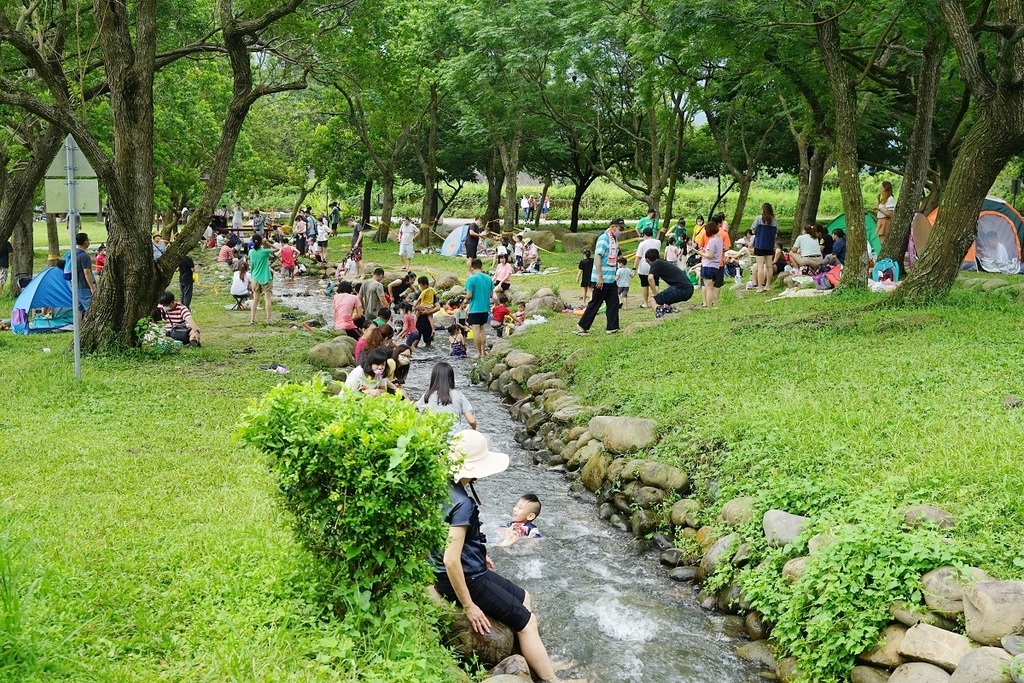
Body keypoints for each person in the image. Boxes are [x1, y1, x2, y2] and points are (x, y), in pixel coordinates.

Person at [435, 430, 580, 683]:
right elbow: (450, 559)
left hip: (468, 569)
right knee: (528, 621)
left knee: (525, 597)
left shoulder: (442, 486)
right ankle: (551, 680)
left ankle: (535, 659)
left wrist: (478, 554)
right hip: (466, 579)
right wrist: (469, 607)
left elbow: (447, 541)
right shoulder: (463, 503)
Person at [576, 219, 622, 335]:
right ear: (612, 227)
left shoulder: (614, 240)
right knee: (595, 303)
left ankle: (612, 327)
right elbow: (597, 257)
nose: (621, 231)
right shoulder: (604, 239)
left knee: (614, 303)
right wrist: (599, 277)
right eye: (619, 229)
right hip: (602, 279)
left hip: (611, 278)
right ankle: (582, 325)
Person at [417, 362, 477, 430]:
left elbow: (412, 408)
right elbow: (472, 421)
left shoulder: (427, 396)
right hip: (456, 437)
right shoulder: (459, 395)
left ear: (434, 377)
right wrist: (473, 429)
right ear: (451, 378)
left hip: (435, 436)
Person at [644, 248, 695, 318]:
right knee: (665, 299)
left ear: (648, 259)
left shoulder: (655, 263)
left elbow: (650, 278)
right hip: (689, 289)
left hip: (681, 288)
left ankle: (660, 316)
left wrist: (655, 293)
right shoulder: (663, 263)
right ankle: (667, 312)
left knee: (653, 299)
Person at [464, 258, 493, 359]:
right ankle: (483, 353)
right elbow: (491, 294)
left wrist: (464, 301)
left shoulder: (471, 279)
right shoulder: (489, 279)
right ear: (481, 267)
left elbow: (469, 295)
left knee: (476, 330)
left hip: (475, 308)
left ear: (472, 268)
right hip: (485, 308)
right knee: (482, 330)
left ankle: (478, 353)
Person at [249, 233, 277, 324]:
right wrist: (268, 243)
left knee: (255, 299)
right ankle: (269, 319)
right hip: (266, 277)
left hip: (255, 277)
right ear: (261, 242)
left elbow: (251, 264)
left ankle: (252, 319)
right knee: (267, 299)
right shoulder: (265, 251)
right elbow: (278, 249)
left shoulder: (251, 252)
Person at [751, 203, 778, 293]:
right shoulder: (774, 220)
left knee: (760, 266)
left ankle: (760, 287)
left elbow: (753, 230)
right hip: (769, 245)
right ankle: (768, 286)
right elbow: (776, 233)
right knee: (769, 266)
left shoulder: (759, 218)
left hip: (759, 245)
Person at [698, 219, 724, 309]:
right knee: (712, 287)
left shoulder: (712, 241)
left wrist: (701, 253)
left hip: (708, 266)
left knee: (708, 288)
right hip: (716, 266)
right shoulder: (720, 239)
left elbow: (709, 255)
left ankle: (709, 307)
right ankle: (716, 304)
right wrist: (705, 251)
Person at [634, 228, 662, 308]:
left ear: (644, 235)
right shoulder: (658, 242)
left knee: (644, 285)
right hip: (655, 265)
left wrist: (634, 268)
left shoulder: (642, 244)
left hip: (644, 265)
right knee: (655, 283)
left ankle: (645, 303)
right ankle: (656, 300)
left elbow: (638, 257)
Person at [71, 232, 96, 312]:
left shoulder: (73, 253)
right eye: (88, 240)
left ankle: (79, 324)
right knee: (91, 310)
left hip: (76, 286)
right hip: (84, 287)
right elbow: (87, 272)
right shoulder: (84, 256)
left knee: (79, 310)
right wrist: (92, 287)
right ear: (85, 242)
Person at [414, 275, 440, 347]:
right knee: (415, 341)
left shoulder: (429, 293)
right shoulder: (417, 294)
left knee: (428, 342)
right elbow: (416, 306)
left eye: (420, 285)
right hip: (420, 321)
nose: (419, 286)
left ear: (424, 285)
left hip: (427, 322)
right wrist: (429, 310)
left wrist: (427, 312)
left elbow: (438, 307)